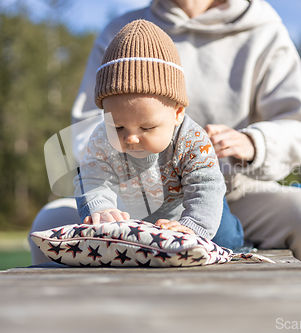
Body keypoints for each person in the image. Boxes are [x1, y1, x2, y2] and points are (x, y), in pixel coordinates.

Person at [30, 0, 301, 286]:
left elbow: (296, 125)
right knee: (47, 220)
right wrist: (112, 196)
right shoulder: (120, 32)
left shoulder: (263, 29)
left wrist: (254, 143)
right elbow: (87, 130)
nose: (131, 133)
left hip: (238, 191)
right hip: (127, 202)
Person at [75, 19, 241, 245]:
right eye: (118, 126)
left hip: (197, 211)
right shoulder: (102, 138)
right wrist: (101, 208)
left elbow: (206, 185)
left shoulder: (191, 140)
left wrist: (193, 227)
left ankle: (236, 236)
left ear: (177, 113)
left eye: (147, 127)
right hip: (138, 216)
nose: (131, 138)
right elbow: (91, 176)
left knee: (226, 238)